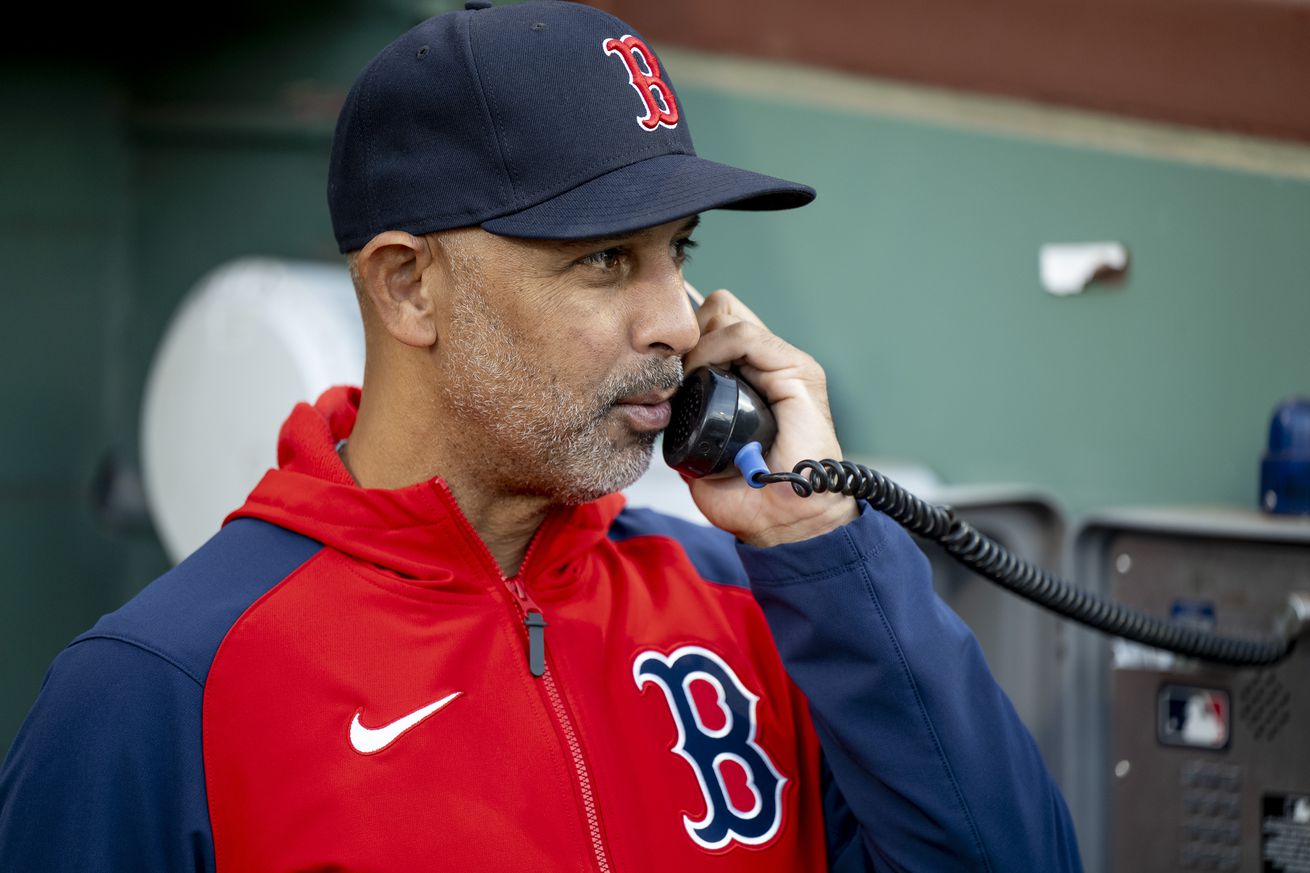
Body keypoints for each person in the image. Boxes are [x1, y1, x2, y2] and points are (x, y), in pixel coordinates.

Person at [0, 2, 1083, 871]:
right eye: (605, 260)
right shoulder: (160, 690)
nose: (676, 320)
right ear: (408, 287)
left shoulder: (763, 605)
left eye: (677, 250)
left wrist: (826, 549)